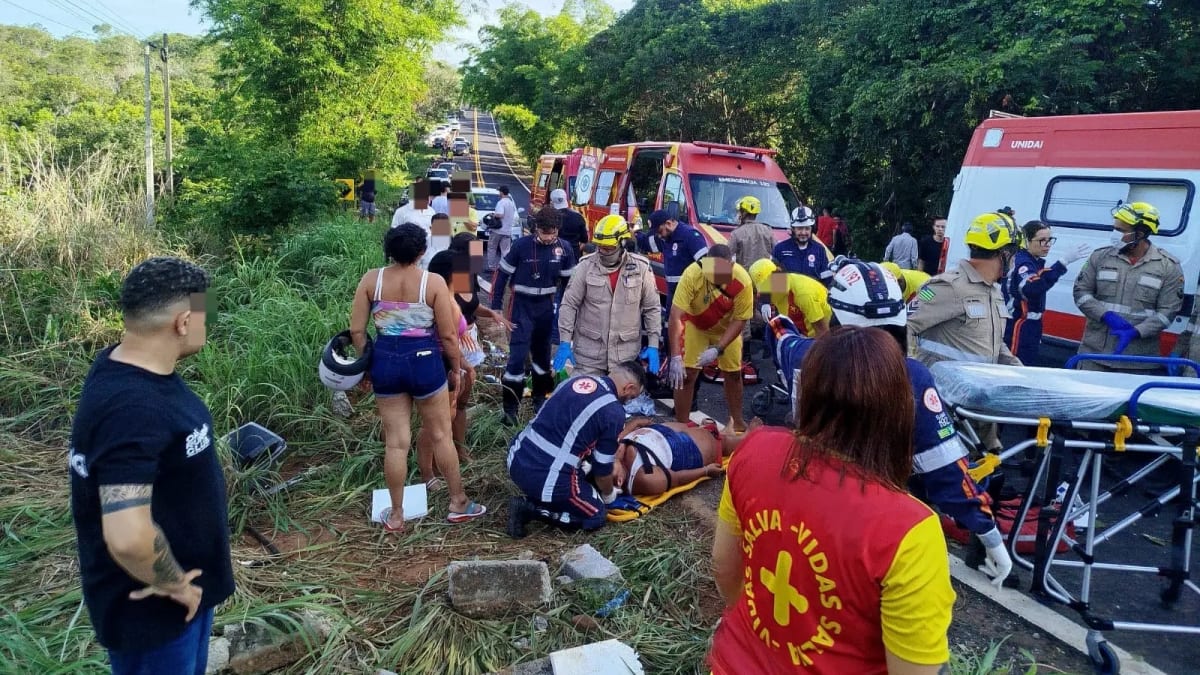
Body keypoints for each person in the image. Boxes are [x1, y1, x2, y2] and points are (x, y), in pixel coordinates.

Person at [709, 326, 954, 674]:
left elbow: (724, 568)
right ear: (899, 408)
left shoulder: (755, 450)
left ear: (806, 393)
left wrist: (766, 644)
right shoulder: (909, 530)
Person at [769, 260, 1011, 589]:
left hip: (802, 516)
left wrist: (776, 319)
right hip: (872, 533)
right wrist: (988, 531)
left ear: (838, 314)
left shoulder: (804, 357)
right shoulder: (911, 377)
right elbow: (946, 469)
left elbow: (783, 336)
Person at [69, 257, 234, 674]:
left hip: (183, 596)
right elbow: (127, 536)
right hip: (154, 610)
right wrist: (174, 582)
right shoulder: (131, 407)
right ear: (183, 322)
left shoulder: (133, 369)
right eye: (205, 313)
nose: (207, 323)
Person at [351, 224, 487, 531]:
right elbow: (449, 336)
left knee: (396, 444)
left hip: (386, 358)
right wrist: (455, 367)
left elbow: (358, 331)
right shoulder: (433, 282)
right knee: (440, 434)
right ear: (422, 252)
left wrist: (368, 363)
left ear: (388, 250)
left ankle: (396, 514)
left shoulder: (372, 280)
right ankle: (458, 503)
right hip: (425, 361)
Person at [909, 211, 1023, 453]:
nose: (1015, 260)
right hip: (946, 406)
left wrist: (1021, 373)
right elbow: (905, 326)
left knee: (987, 464)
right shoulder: (946, 287)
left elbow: (992, 343)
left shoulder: (994, 291)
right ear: (1004, 253)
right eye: (1014, 253)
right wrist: (914, 380)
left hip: (980, 403)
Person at [506, 364, 646, 538]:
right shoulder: (613, 411)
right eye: (632, 397)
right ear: (629, 388)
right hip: (545, 476)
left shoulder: (576, 380)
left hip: (517, 457)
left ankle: (542, 497)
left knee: (580, 468)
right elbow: (602, 470)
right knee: (596, 515)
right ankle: (531, 509)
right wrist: (609, 495)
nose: (629, 401)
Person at [426, 235, 514, 465]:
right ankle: (435, 462)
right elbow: (446, 333)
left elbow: (472, 305)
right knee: (445, 410)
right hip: (449, 350)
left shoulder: (464, 277)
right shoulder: (441, 283)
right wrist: (460, 364)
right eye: (473, 253)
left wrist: (493, 314)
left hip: (466, 343)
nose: (478, 258)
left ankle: (460, 450)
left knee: (461, 403)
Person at [1073, 201, 1184, 373]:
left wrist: (1137, 331)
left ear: (1139, 234)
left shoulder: (1168, 267)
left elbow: (1168, 312)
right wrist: (1106, 315)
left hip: (1136, 360)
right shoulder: (1100, 257)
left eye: (1121, 231)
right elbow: (1081, 292)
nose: (1114, 235)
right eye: (1115, 228)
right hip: (1094, 355)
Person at [491, 207, 576, 424]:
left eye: (553, 233)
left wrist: (569, 311)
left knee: (542, 358)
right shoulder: (522, 246)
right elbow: (501, 275)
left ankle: (540, 400)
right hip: (521, 306)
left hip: (546, 307)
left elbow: (570, 285)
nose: (548, 238)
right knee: (517, 359)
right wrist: (496, 306)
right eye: (544, 232)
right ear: (536, 228)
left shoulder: (564, 249)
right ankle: (510, 409)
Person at [555, 214, 661, 376]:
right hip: (588, 356)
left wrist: (653, 344)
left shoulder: (641, 269)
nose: (603, 252)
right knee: (586, 397)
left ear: (623, 243)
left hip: (625, 356)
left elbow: (652, 308)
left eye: (608, 248)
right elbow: (569, 305)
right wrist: (564, 341)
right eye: (600, 247)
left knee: (622, 400)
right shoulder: (585, 267)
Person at [667, 245, 754, 432]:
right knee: (687, 374)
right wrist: (675, 357)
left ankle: (737, 422)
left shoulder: (742, 281)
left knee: (733, 373)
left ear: (731, 266)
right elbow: (675, 316)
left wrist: (718, 348)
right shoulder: (691, 274)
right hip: (696, 325)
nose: (715, 276)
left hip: (726, 330)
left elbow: (740, 320)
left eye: (720, 271)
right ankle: (681, 425)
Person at [1003, 221, 1091, 365]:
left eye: (1050, 240)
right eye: (1042, 240)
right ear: (1026, 241)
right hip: (1018, 324)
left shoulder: (1034, 261)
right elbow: (1032, 288)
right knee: (1015, 367)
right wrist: (1062, 263)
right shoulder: (1023, 263)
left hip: (1030, 325)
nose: (1047, 244)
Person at [612, 419, 727, 496]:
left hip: (657, 432)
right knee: (721, 441)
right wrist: (706, 471)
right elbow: (677, 479)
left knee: (693, 427)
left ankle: (707, 428)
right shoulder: (645, 479)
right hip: (682, 449)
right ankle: (722, 435)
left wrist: (632, 426)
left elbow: (627, 428)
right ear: (620, 480)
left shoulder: (610, 454)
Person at [636, 208, 709, 305]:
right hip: (673, 294)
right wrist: (635, 234)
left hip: (691, 297)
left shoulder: (691, 236)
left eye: (659, 231)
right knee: (669, 320)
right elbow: (646, 243)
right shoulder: (665, 237)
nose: (659, 236)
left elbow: (709, 267)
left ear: (669, 223)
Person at [748, 258, 831, 337]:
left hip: (821, 333)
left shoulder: (803, 294)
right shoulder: (777, 287)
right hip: (800, 332)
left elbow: (823, 332)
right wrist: (763, 304)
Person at [772, 206, 833, 284]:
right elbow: (775, 285)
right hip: (788, 295)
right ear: (793, 229)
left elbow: (826, 280)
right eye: (800, 229)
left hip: (813, 295)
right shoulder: (780, 249)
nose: (803, 233)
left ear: (812, 229)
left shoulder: (819, 250)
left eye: (807, 228)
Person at [726, 195, 774, 267]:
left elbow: (726, 255)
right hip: (764, 276)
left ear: (744, 213)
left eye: (740, 211)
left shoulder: (736, 233)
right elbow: (777, 253)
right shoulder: (768, 231)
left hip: (744, 276)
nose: (738, 213)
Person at [486, 185, 518, 273]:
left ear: (501, 192)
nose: (498, 193)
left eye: (499, 191)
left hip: (497, 230)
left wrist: (493, 214)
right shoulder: (511, 203)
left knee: (492, 248)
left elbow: (500, 214)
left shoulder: (501, 202)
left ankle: (491, 267)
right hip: (507, 231)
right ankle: (504, 267)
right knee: (505, 250)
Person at [550, 188, 588, 256]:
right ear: (566, 200)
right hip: (574, 256)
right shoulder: (578, 217)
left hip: (554, 255)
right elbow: (584, 241)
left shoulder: (549, 218)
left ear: (552, 202)